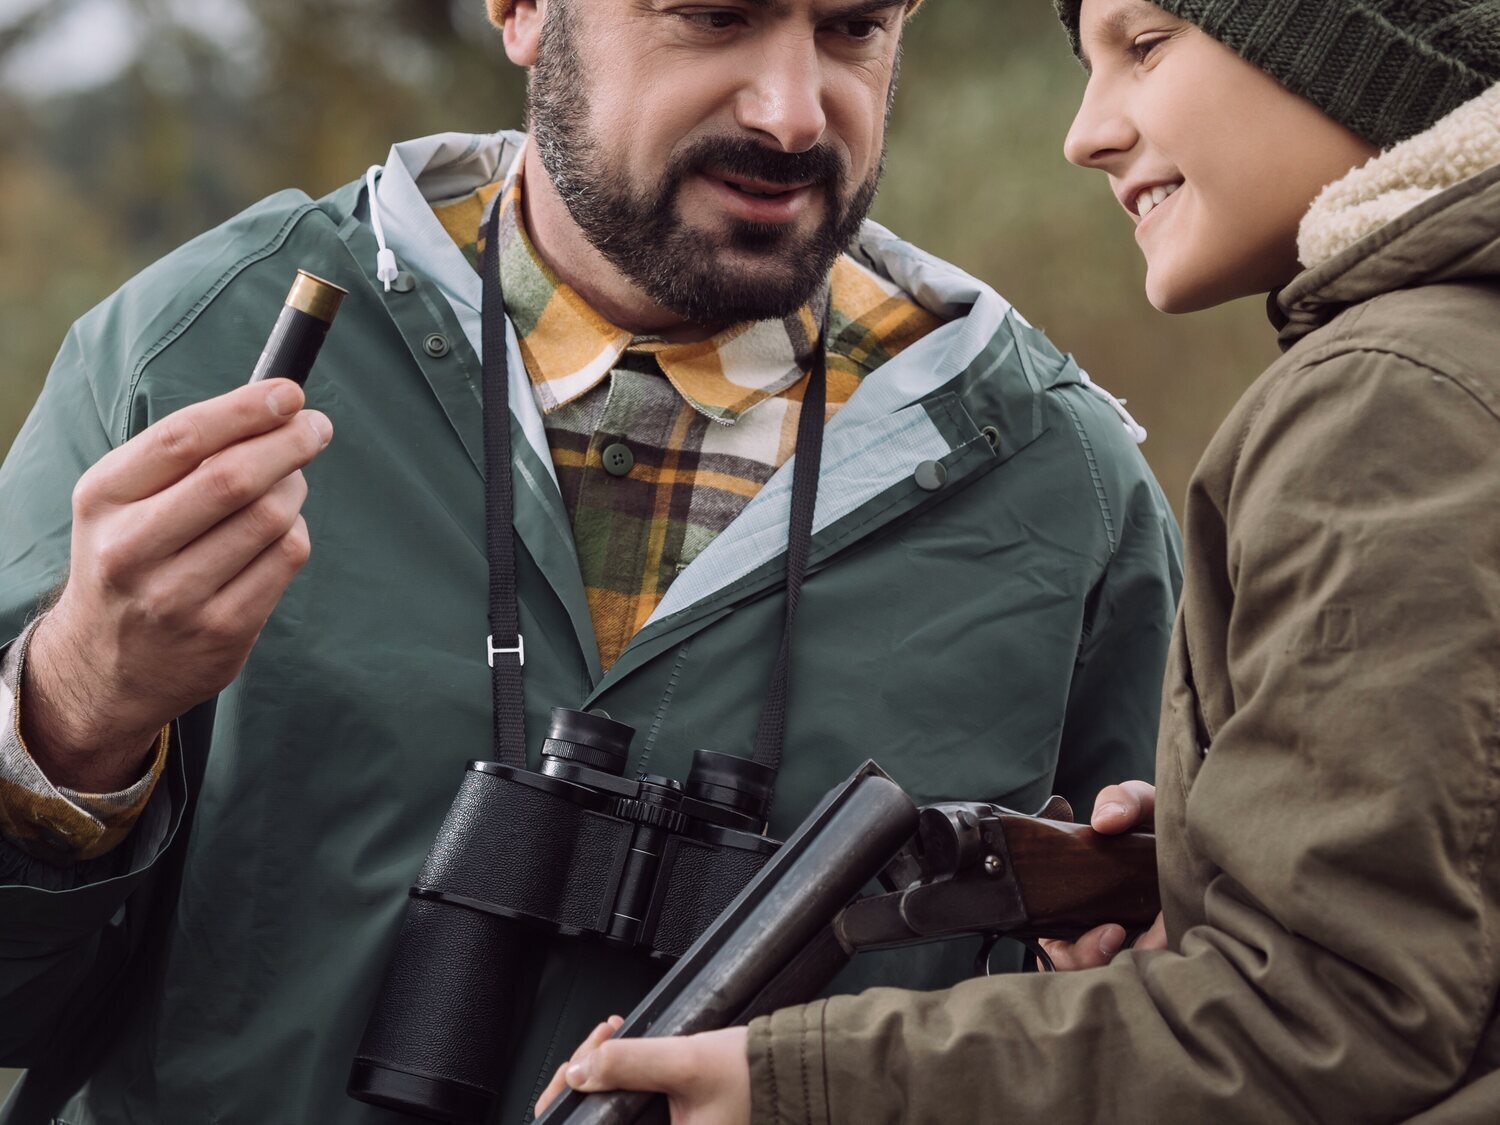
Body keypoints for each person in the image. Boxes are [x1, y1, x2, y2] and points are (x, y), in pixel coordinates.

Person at [0, 1, 1181, 1122]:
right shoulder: (191, 353)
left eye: (852, 28)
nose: (793, 114)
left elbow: (1185, 1045)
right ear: (521, 12)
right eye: (715, 17)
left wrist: (1132, 975)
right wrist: (79, 706)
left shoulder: (1060, 485)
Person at [538, 0, 1500, 1121]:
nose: (1086, 131)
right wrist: (1208, 862)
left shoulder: (1390, 398)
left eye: (1145, 46)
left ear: (1363, 54)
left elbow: (1332, 1021)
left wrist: (798, 1088)